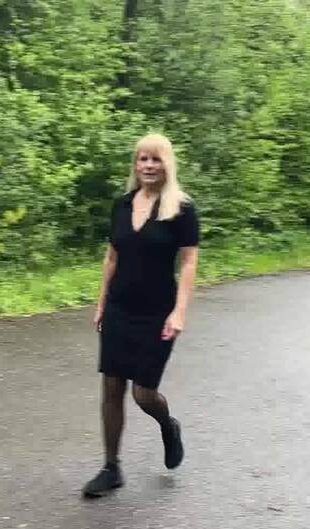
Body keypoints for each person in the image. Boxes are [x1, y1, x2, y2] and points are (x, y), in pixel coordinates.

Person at [83, 133, 200, 498]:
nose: (148, 165)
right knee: (112, 385)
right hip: (120, 307)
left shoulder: (181, 208)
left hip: (157, 312)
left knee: (143, 393)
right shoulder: (121, 205)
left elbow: (189, 262)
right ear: (135, 164)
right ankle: (111, 467)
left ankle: (168, 424)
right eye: (142, 159)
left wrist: (179, 312)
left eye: (156, 159)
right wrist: (101, 303)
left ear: (167, 164)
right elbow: (112, 257)